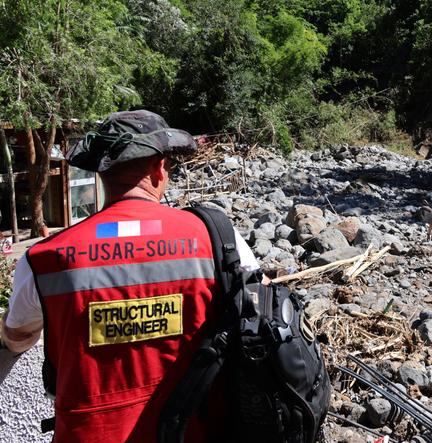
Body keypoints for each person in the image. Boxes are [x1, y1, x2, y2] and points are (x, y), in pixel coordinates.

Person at [1, 110, 259, 442]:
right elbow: (258, 318)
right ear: (159, 168)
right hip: (192, 431)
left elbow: (17, 335)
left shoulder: (45, 257)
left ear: (103, 174)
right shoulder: (218, 238)